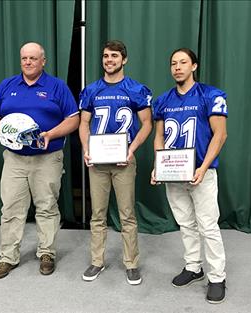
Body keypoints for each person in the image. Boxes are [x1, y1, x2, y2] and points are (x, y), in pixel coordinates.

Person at [0, 42, 79, 279]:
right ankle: (8, 257)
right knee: (11, 208)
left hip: (47, 158)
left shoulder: (56, 86)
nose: (28, 62)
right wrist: (0, 132)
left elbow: (74, 119)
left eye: (33, 58)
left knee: (47, 206)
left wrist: (51, 134)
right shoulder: (8, 85)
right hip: (15, 158)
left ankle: (46, 252)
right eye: (24, 58)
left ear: (43, 61)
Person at [150, 48, 228, 303]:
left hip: (200, 171)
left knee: (207, 225)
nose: (177, 67)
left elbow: (220, 134)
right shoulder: (163, 100)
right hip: (174, 172)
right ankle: (194, 267)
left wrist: (203, 168)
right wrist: (158, 166)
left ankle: (217, 276)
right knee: (185, 223)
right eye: (173, 63)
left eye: (183, 62)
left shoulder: (210, 95)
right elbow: (160, 136)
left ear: (193, 66)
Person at [78, 40, 152, 285]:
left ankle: (131, 263)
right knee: (97, 214)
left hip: (123, 161)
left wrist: (131, 150)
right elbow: (84, 124)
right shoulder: (91, 90)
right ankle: (96, 261)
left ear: (124, 60)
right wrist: (87, 149)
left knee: (127, 214)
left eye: (114, 56)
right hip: (98, 162)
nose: (109, 60)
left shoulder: (135, 89)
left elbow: (147, 124)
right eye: (105, 56)